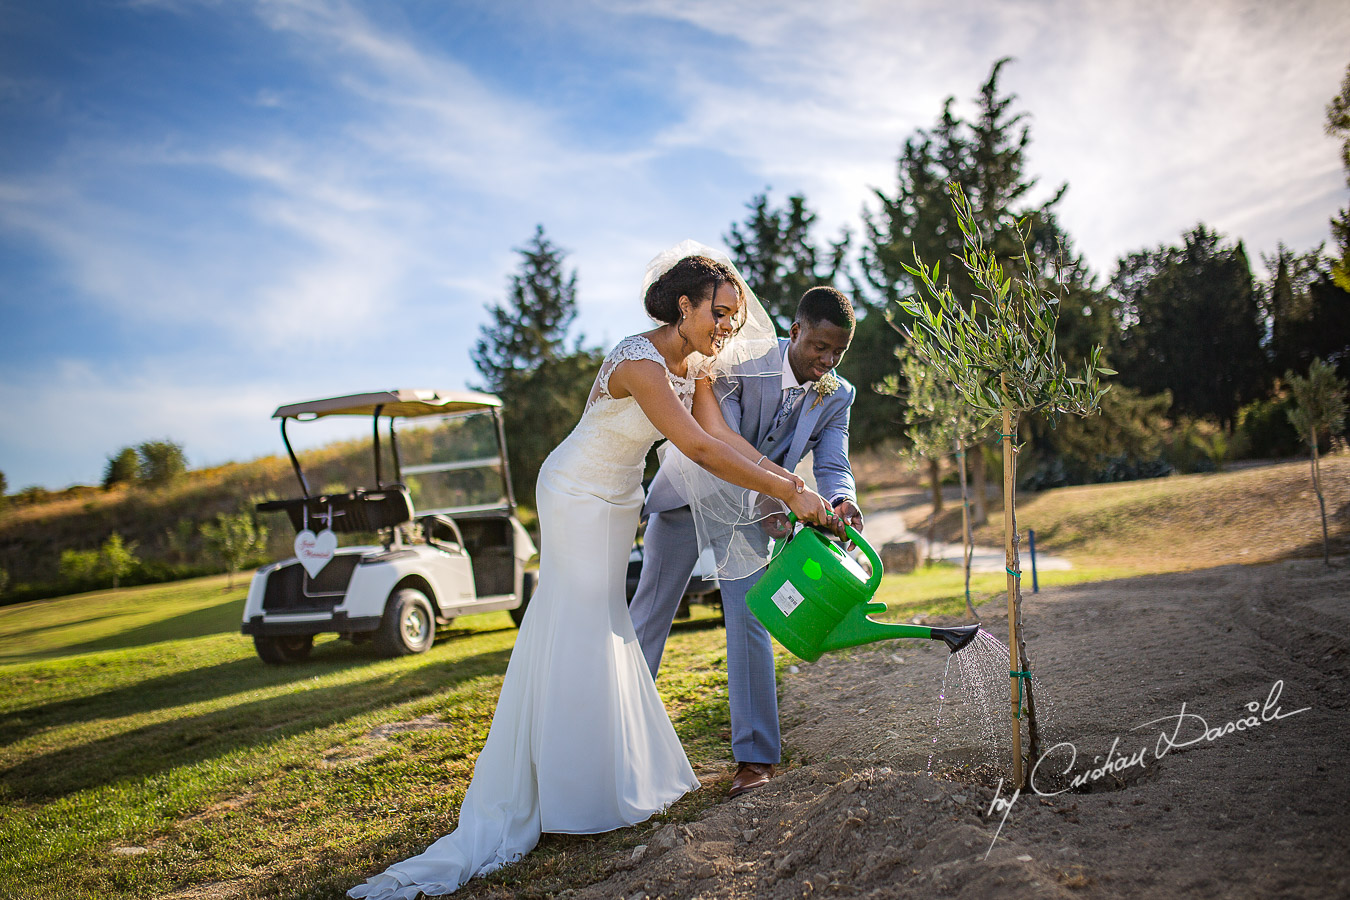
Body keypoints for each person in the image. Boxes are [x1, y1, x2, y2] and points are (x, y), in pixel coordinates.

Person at [348, 242, 833, 900]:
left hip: (617, 502)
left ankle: (595, 777)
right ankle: (558, 790)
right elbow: (693, 447)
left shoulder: (699, 370)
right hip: (576, 492)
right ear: (683, 306)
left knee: (604, 628)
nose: (728, 325)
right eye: (719, 312)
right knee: (576, 625)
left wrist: (790, 487)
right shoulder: (638, 360)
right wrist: (789, 492)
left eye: (735, 314)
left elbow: (725, 442)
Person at [629, 285, 862, 799]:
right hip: (690, 494)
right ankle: (619, 740)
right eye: (818, 347)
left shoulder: (838, 395)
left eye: (837, 353)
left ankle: (755, 758)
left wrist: (842, 500)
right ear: (795, 331)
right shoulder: (739, 360)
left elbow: (832, 460)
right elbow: (719, 445)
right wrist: (784, 495)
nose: (826, 361)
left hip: (758, 514)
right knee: (650, 613)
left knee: (751, 616)